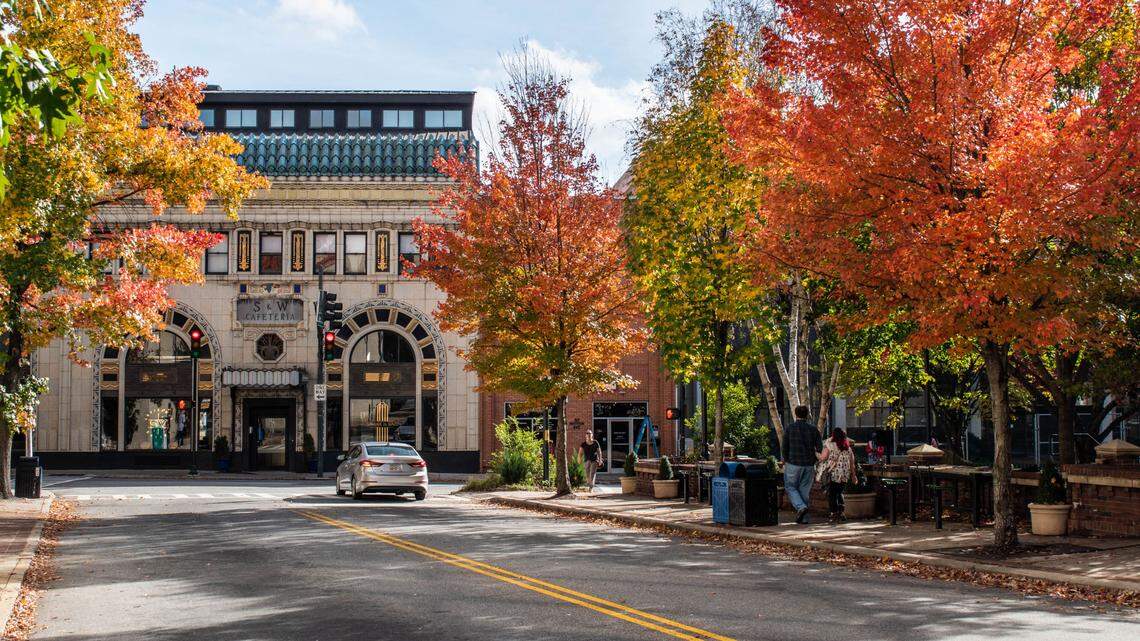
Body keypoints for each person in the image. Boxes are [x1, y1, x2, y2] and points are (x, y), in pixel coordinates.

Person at [781, 405, 824, 524]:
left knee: (790, 487)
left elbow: (784, 447)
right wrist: (814, 459)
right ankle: (804, 519)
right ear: (807, 414)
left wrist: (786, 459)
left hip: (793, 463)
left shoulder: (790, 428)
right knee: (804, 491)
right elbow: (819, 447)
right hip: (809, 464)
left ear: (796, 414)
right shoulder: (813, 429)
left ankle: (801, 507)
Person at [818, 428, 858, 523]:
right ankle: (841, 512)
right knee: (840, 492)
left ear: (834, 436)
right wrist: (853, 475)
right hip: (844, 474)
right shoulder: (848, 448)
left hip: (833, 473)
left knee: (832, 494)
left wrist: (816, 453)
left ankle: (834, 513)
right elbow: (852, 463)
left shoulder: (830, 445)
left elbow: (823, 457)